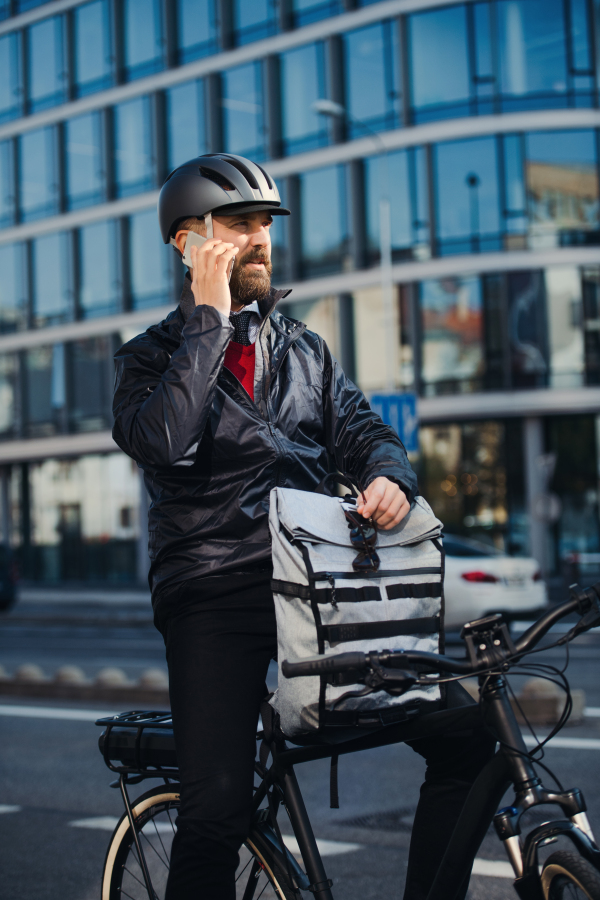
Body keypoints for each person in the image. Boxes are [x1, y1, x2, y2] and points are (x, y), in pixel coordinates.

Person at [112, 153, 495, 900]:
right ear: (185, 243)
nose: (260, 238)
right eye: (239, 224)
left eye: (265, 224)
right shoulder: (146, 359)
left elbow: (365, 430)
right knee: (215, 811)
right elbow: (165, 439)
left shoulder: (306, 350)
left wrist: (389, 474)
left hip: (319, 586)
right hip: (214, 594)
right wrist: (209, 319)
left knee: (470, 739)